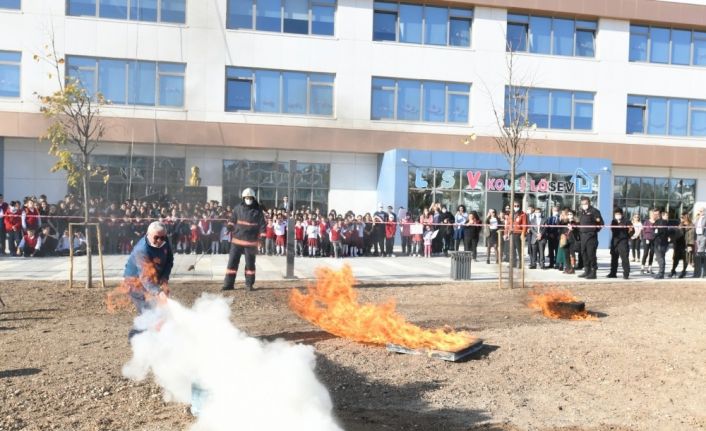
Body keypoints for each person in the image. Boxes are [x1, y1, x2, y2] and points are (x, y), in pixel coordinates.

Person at [123, 221, 174, 338]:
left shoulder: (165, 241)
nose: (160, 240)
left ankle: (155, 335)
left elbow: (169, 260)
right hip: (135, 283)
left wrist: (164, 279)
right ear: (148, 234)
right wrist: (158, 292)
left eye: (162, 237)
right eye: (156, 237)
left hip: (153, 280)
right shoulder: (142, 250)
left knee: (159, 310)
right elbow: (145, 278)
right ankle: (135, 337)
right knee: (148, 312)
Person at [222, 188, 266, 291]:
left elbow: (262, 226)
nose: (248, 199)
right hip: (237, 241)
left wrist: (262, 239)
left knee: (250, 264)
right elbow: (233, 220)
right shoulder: (237, 208)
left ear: (253, 198)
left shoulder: (258, 210)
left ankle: (249, 284)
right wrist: (229, 227)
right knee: (232, 262)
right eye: (246, 197)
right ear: (243, 198)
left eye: (250, 198)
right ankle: (228, 284)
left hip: (251, 242)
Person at [577, 196, 603, 279]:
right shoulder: (582, 212)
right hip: (583, 236)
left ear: (589, 203)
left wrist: (594, 231)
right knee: (583, 254)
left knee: (591, 254)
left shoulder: (594, 211)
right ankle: (587, 270)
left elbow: (600, 223)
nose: (584, 205)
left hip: (591, 237)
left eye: (585, 203)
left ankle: (593, 272)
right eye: (582, 204)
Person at [608, 208, 632, 279]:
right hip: (615, 241)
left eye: (618, 214)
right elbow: (612, 230)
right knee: (614, 258)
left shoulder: (627, 221)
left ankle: (626, 274)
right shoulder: (613, 221)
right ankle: (613, 273)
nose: (617, 215)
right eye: (616, 214)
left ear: (622, 214)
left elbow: (631, 230)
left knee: (624, 258)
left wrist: (628, 236)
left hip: (623, 242)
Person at [507, 201, 527, 269]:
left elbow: (524, 225)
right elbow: (509, 224)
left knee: (519, 249)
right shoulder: (511, 214)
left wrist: (523, 234)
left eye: (517, 206)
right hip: (512, 233)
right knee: (512, 249)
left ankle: (520, 263)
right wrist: (507, 232)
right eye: (515, 206)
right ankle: (513, 263)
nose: (516, 207)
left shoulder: (523, 214)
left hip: (518, 233)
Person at [669, 213, 689, 278]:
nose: (681, 219)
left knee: (685, 259)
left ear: (686, 217)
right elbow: (676, 234)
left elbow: (690, 236)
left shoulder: (690, 225)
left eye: (683, 217)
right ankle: (673, 271)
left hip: (685, 244)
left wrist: (690, 245)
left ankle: (683, 272)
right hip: (677, 245)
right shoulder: (680, 225)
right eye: (681, 217)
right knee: (675, 259)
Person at [652, 208, 670, 279]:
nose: (655, 215)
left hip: (661, 242)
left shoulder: (663, 222)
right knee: (659, 258)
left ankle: (661, 273)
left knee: (661, 258)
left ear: (659, 214)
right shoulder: (656, 222)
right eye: (654, 214)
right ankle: (660, 272)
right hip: (657, 242)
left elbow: (663, 232)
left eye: (656, 214)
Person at [692, 207, 705, 278]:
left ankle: (702, 272)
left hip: (703, 236)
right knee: (698, 253)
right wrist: (696, 217)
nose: (700, 212)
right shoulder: (697, 218)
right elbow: (693, 223)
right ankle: (698, 272)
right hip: (697, 236)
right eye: (699, 211)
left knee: (700, 252)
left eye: (701, 211)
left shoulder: (705, 218)